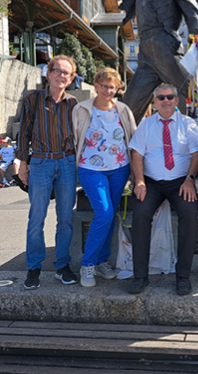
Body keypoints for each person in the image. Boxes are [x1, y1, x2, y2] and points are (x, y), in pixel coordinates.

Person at [127, 83, 198, 295]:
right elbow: (137, 154)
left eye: (170, 97)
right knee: (139, 215)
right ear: (155, 102)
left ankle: (183, 277)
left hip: (180, 181)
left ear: (177, 101)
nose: (166, 100)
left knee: (189, 214)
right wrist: (139, 181)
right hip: (152, 182)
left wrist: (190, 179)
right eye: (161, 98)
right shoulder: (147, 125)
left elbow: (196, 155)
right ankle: (140, 276)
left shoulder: (188, 124)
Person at [16, 55, 79, 290]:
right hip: (41, 162)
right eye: (58, 71)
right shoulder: (32, 99)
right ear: (49, 73)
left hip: (66, 162)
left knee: (65, 218)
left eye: (66, 73)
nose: (61, 76)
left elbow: (80, 136)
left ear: (71, 78)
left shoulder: (73, 104)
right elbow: (24, 132)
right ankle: (34, 267)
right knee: (36, 218)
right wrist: (23, 165)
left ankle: (62, 265)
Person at [72, 68, 136, 287]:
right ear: (96, 86)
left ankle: (101, 262)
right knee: (104, 212)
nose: (108, 90)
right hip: (90, 168)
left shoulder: (123, 110)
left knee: (112, 214)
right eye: (104, 85)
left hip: (119, 168)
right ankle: (87, 265)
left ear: (117, 88)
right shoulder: (81, 109)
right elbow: (73, 137)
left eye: (113, 86)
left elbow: (133, 139)